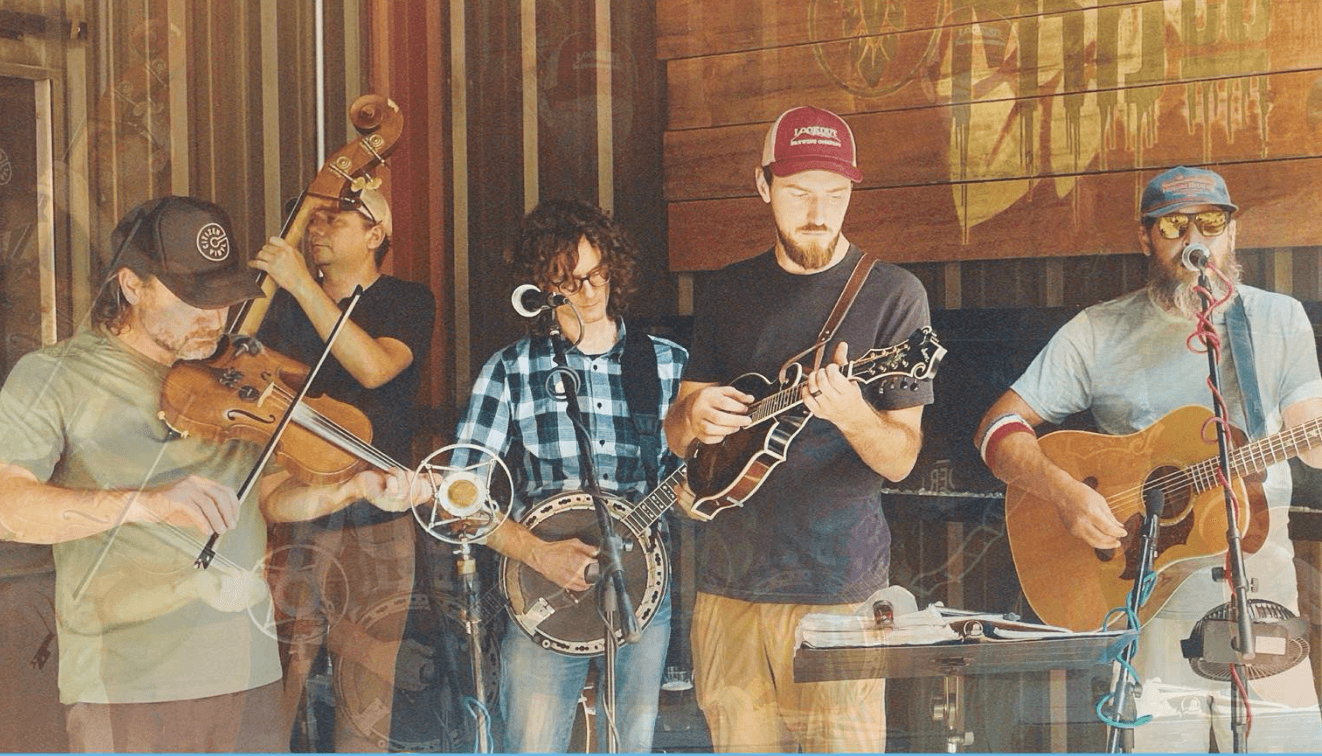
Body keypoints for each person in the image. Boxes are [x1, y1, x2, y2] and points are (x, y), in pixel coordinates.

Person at [0, 196, 427, 753]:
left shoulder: (232, 375)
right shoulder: (54, 375)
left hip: (247, 675)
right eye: (194, 299)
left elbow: (267, 497)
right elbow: (10, 506)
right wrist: (146, 503)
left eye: (225, 298)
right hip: (128, 684)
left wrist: (349, 488)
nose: (215, 318)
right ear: (132, 285)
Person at [974, 165, 1322, 751]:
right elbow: (996, 429)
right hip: (1144, 601)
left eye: (1210, 223)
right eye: (1173, 226)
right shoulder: (1098, 330)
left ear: (1233, 232)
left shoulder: (1277, 319)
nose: (1194, 240)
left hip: (1261, 596)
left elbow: (1310, 441)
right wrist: (1064, 491)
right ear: (1145, 238)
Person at [662, 105, 934, 752]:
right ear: (763, 185)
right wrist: (693, 416)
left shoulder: (895, 295)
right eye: (799, 192)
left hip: (839, 590)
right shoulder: (727, 291)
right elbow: (679, 435)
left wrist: (853, 415)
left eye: (835, 194)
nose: (819, 212)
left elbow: (900, 459)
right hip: (728, 588)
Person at [453, 199, 687, 752]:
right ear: (541, 288)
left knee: (630, 745)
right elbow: (458, 493)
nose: (589, 291)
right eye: (569, 281)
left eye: (597, 273)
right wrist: (536, 552)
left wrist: (699, 489)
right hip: (542, 590)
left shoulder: (669, 364)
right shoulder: (511, 369)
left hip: (642, 589)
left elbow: (692, 476)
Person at [250, 187, 436, 751]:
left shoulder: (406, 299)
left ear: (376, 234)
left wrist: (301, 284)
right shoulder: (281, 306)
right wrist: (280, 288)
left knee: (366, 699)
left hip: (375, 523)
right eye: (314, 219)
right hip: (292, 512)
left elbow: (375, 368)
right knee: (274, 691)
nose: (317, 229)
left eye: (334, 219)